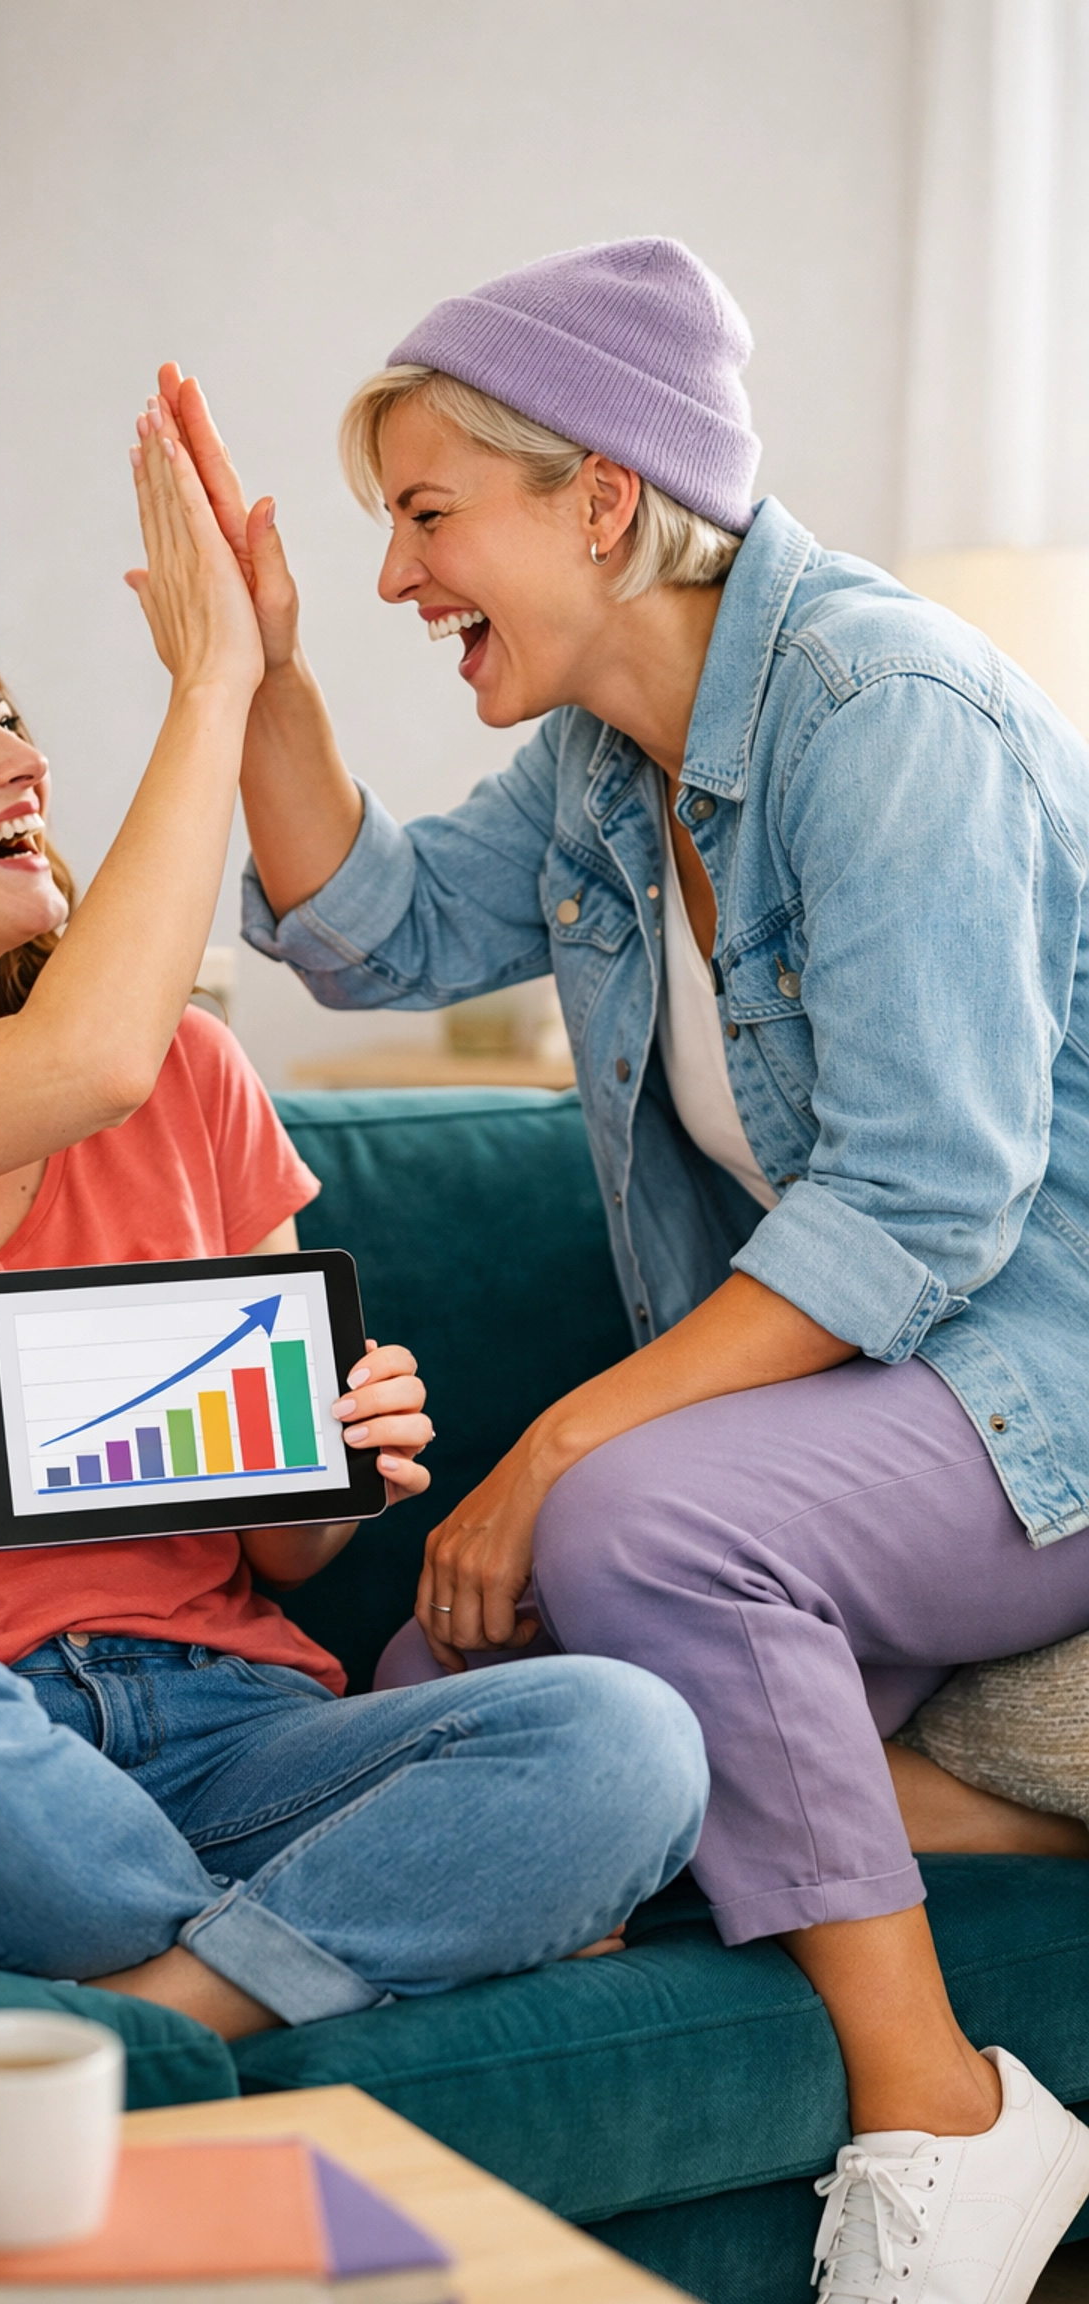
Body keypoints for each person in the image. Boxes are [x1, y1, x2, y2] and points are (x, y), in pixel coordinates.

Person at [161, 237, 1089, 2295]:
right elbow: (371, 932)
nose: (402, 573)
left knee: (639, 1526)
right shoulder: (608, 754)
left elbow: (933, 1207)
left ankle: (947, 2108)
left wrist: (559, 1449)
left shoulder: (886, 710)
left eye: (425, 514)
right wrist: (257, 674)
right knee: (457, 1700)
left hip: (1040, 1385)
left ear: (599, 494)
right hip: (862, 1410)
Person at [0, 394, 706, 2045]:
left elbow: (284, 1555)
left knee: (624, 1740)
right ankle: (349, 1945)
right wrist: (219, 678)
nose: (22, 759)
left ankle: (172, 2008)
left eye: (10, 717)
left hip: (228, 1733)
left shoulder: (194, 1075)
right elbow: (76, 1057)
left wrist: (331, 1450)